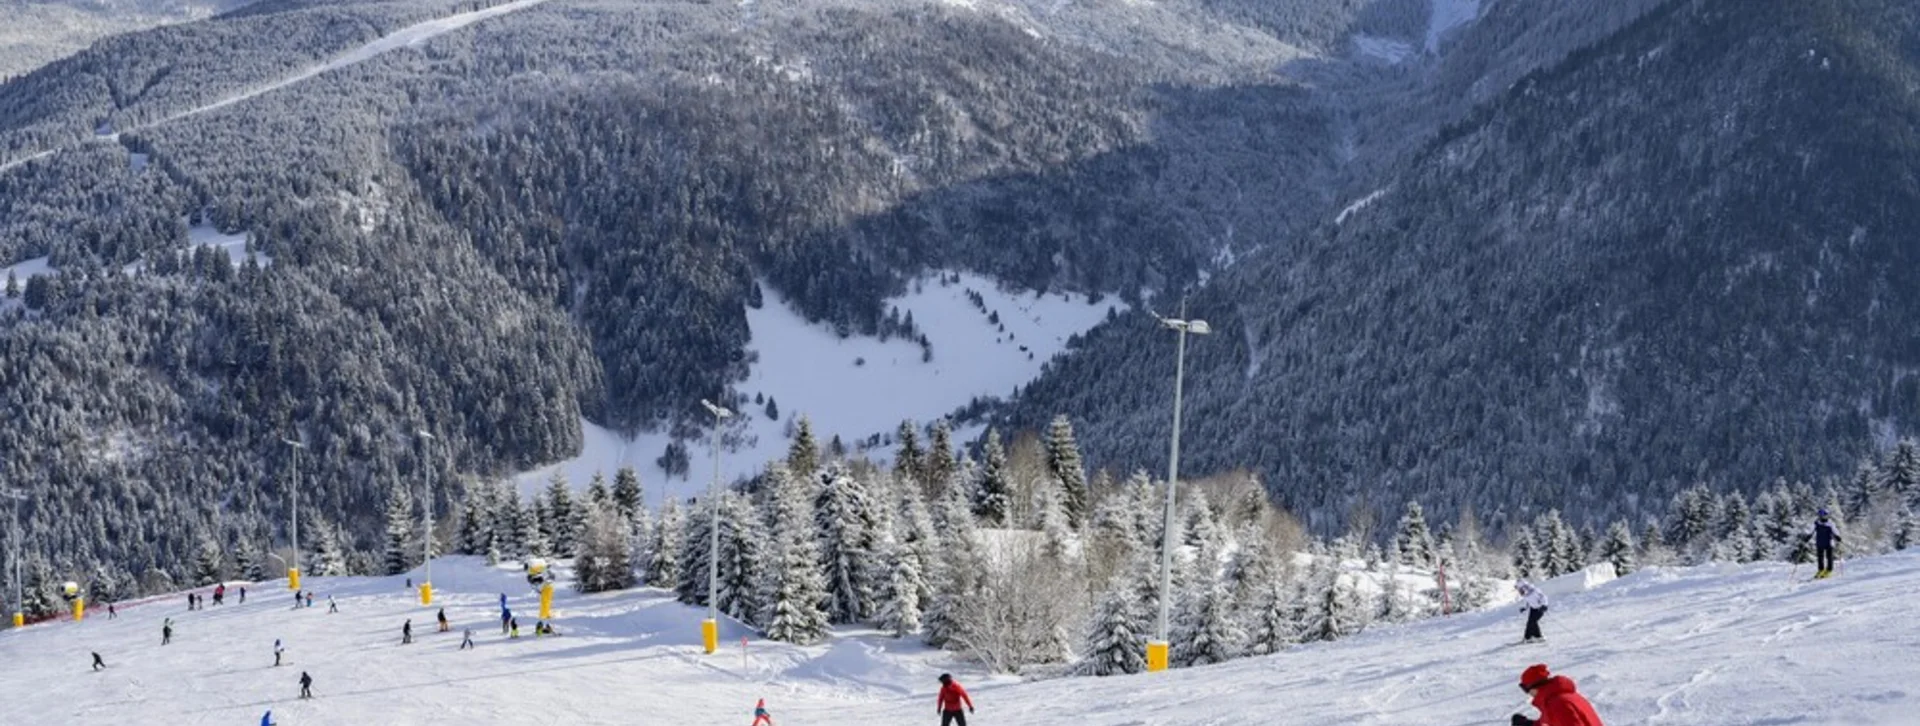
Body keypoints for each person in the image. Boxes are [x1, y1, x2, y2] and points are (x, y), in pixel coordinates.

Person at [1511, 663, 1603, 725]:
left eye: (1526, 690)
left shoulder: (1558, 703)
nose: (1528, 694)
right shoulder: (1560, 697)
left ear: (1535, 687)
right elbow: (1552, 721)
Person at [1808, 508, 1844, 578]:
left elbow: (1835, 531)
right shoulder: (1816, 523)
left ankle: (1829, 570)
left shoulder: (1830, 523)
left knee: (1829, 557)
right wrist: (1808, 536)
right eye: (1821, 516)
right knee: (1820, 558)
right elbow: (1811, 531)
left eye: (1825, 516)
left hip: (1829, 543)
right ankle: (1821, 570)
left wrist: (1837, 536)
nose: (1823, 517)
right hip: (1820, 542)